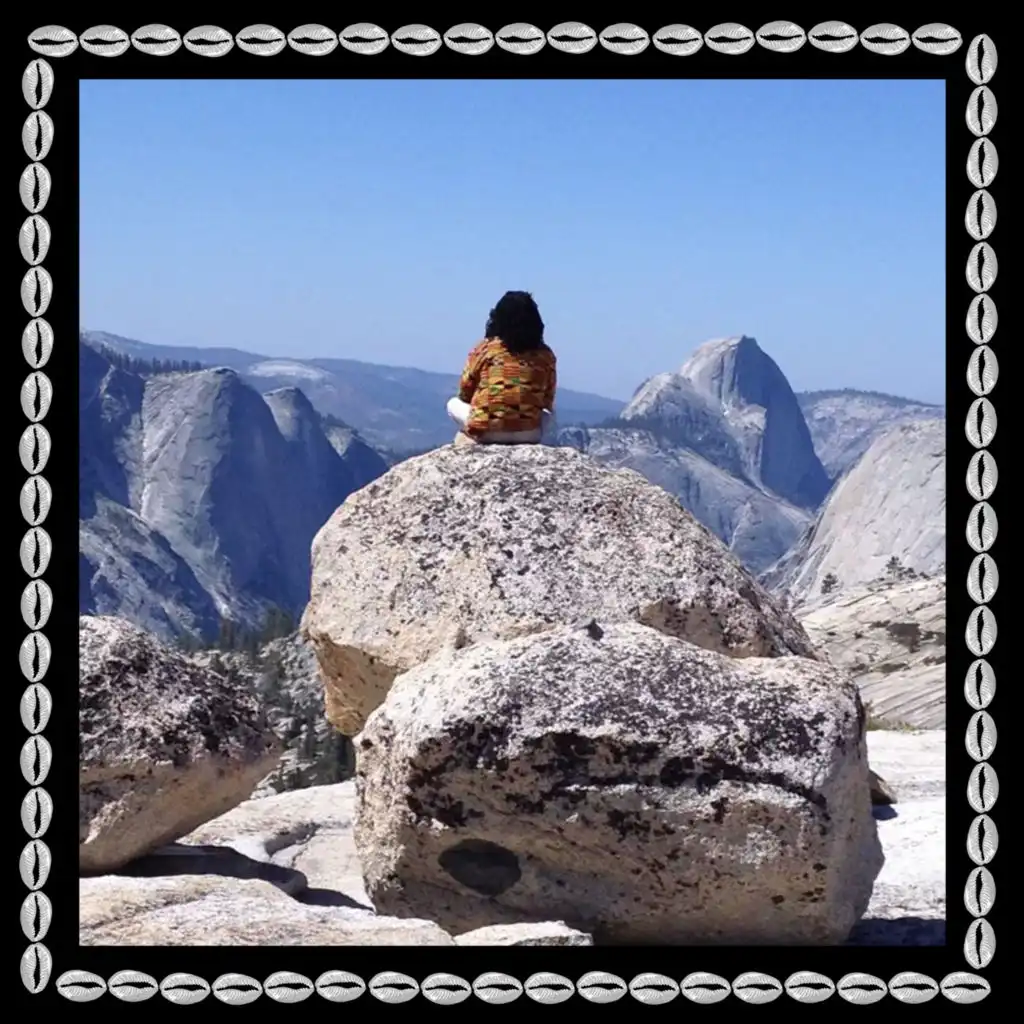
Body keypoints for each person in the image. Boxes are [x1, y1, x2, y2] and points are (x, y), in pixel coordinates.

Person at [447, 290, 557, 446]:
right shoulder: (546, 355)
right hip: (529, 434)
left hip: (486, 431)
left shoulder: (485, 349)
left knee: (452, 404)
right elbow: (547, 400)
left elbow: (465, 392)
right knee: (548, 415)